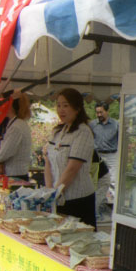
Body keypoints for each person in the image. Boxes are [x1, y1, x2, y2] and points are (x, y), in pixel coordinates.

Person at [45, 88, 96, 229]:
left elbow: (72, 168)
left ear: (77, 108)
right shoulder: (58, 131)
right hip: (58, 198)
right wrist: (49, 192)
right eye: (59, 105)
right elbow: (48, 163)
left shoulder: (83, 131)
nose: (61, 110)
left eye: (66, 105)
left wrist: (56, 193)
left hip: (78, 200)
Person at [0, 92, 33, 180]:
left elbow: (4, 154)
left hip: (16, 176)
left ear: (10, 105)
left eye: (3, 102)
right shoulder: (16, 124)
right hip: (16, 174)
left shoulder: (16, 127)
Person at [90, 102, 119, 207]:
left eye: (101, 112)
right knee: (98, 180)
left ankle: (112, 205)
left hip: (112, 154)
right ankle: (98, 204)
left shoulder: (116, 124)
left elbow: (121, 140)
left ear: (107, 111)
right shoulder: (93, 124)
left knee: (113, 180)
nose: (99, 115)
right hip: (98, 155)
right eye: (97, 113)